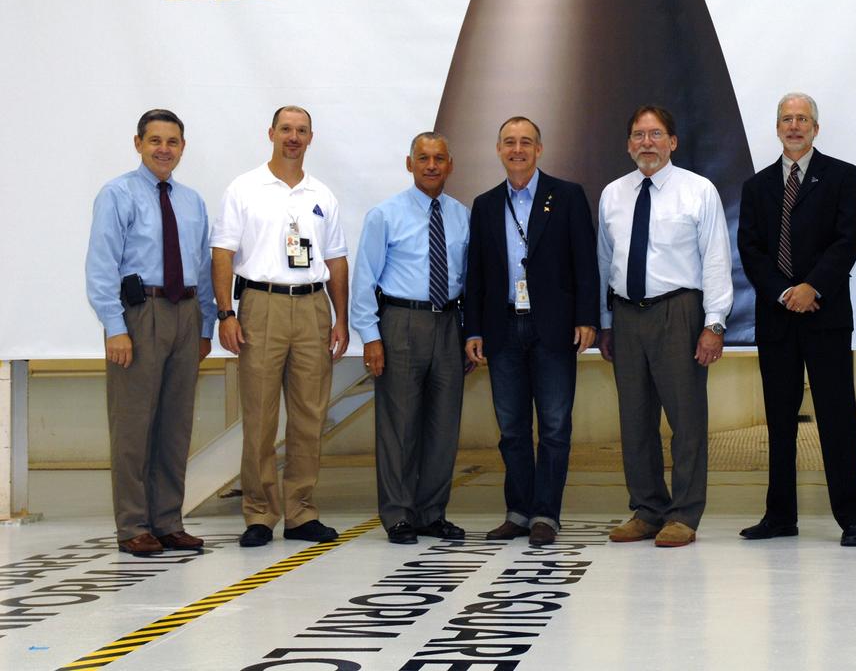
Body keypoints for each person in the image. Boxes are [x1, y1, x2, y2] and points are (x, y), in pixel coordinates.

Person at [211, 106, 349, 547]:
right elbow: (222, 254)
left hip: (312, 308)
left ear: (311, 138)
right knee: (260, 416)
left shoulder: (322, 194)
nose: (293, 137)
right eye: (286, 129)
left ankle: (300, 512)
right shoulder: (244, 188)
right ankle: (259, 513)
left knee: (310, 416)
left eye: (301, 131)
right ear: (270, 133)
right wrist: (225, 313)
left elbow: (336, 260)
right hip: (260, 306)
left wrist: (340, 317)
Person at [737, 92, 856, 546]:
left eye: (803, 119)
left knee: (837, 416)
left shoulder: (841, 176)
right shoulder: (756, 187)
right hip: (777, 319)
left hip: (826, 314)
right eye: (786, 119)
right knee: (778, 419)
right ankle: (780, 516)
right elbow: (750, 250)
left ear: (816, 127)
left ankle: (853, 518)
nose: (794, 126)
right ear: (777, 128)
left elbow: (847, 239)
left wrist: (812, 287)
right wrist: (783, 292)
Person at [597, 105, 733, 548]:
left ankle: (684, 514)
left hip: (679, 312)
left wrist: (714, 323)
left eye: (656, 134)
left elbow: (715, 259)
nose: (646, 143)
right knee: (634, 419)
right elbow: (605, 261)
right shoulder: (613, 194)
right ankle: (648, 508)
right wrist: (605, 322)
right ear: (628, 144)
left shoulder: (698, 191)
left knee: (686, 418)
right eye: (638, 135)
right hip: (627, 316)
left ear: (673, 142)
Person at [85, 109, 216, 556]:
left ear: (183, 147)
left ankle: (167, 521)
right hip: (140, 317)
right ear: (138, 143)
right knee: (133, 425)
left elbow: (200, 265)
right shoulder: (117, 194)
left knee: (175, 425)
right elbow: (102, 266)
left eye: (173, 141)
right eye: (155, 140)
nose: (164, 149)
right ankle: (132, 525)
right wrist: (115, 328)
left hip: (184, 316)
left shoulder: (191, 201)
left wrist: (206, 324)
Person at [464, 117, 598, 547]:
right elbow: (477, 274)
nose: (517, 149)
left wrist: (587, 318)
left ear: (539, 149)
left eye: (525, 142)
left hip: (553, 328)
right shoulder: (484, 204)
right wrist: (473, 330)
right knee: (512, 429)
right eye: (509, 142)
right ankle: (518, 511)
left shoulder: (568, 195)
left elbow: (585, 262)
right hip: (503, 329)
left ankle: (546, 514)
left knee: (556, 426)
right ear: (498, 149)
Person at [352, 132, 471, 544]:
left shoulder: (460, 215)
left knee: (444, 427)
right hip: (401, 322)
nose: (432, 165)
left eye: (440, 158)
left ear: (450, 164)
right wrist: (371, 337)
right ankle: (399, 514)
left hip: (449, 324)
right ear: (409, 163)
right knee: (399, 425)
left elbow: (467, 278)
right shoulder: (384, 215)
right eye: (424, 158)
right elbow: (364, 280)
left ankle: (431, 513)